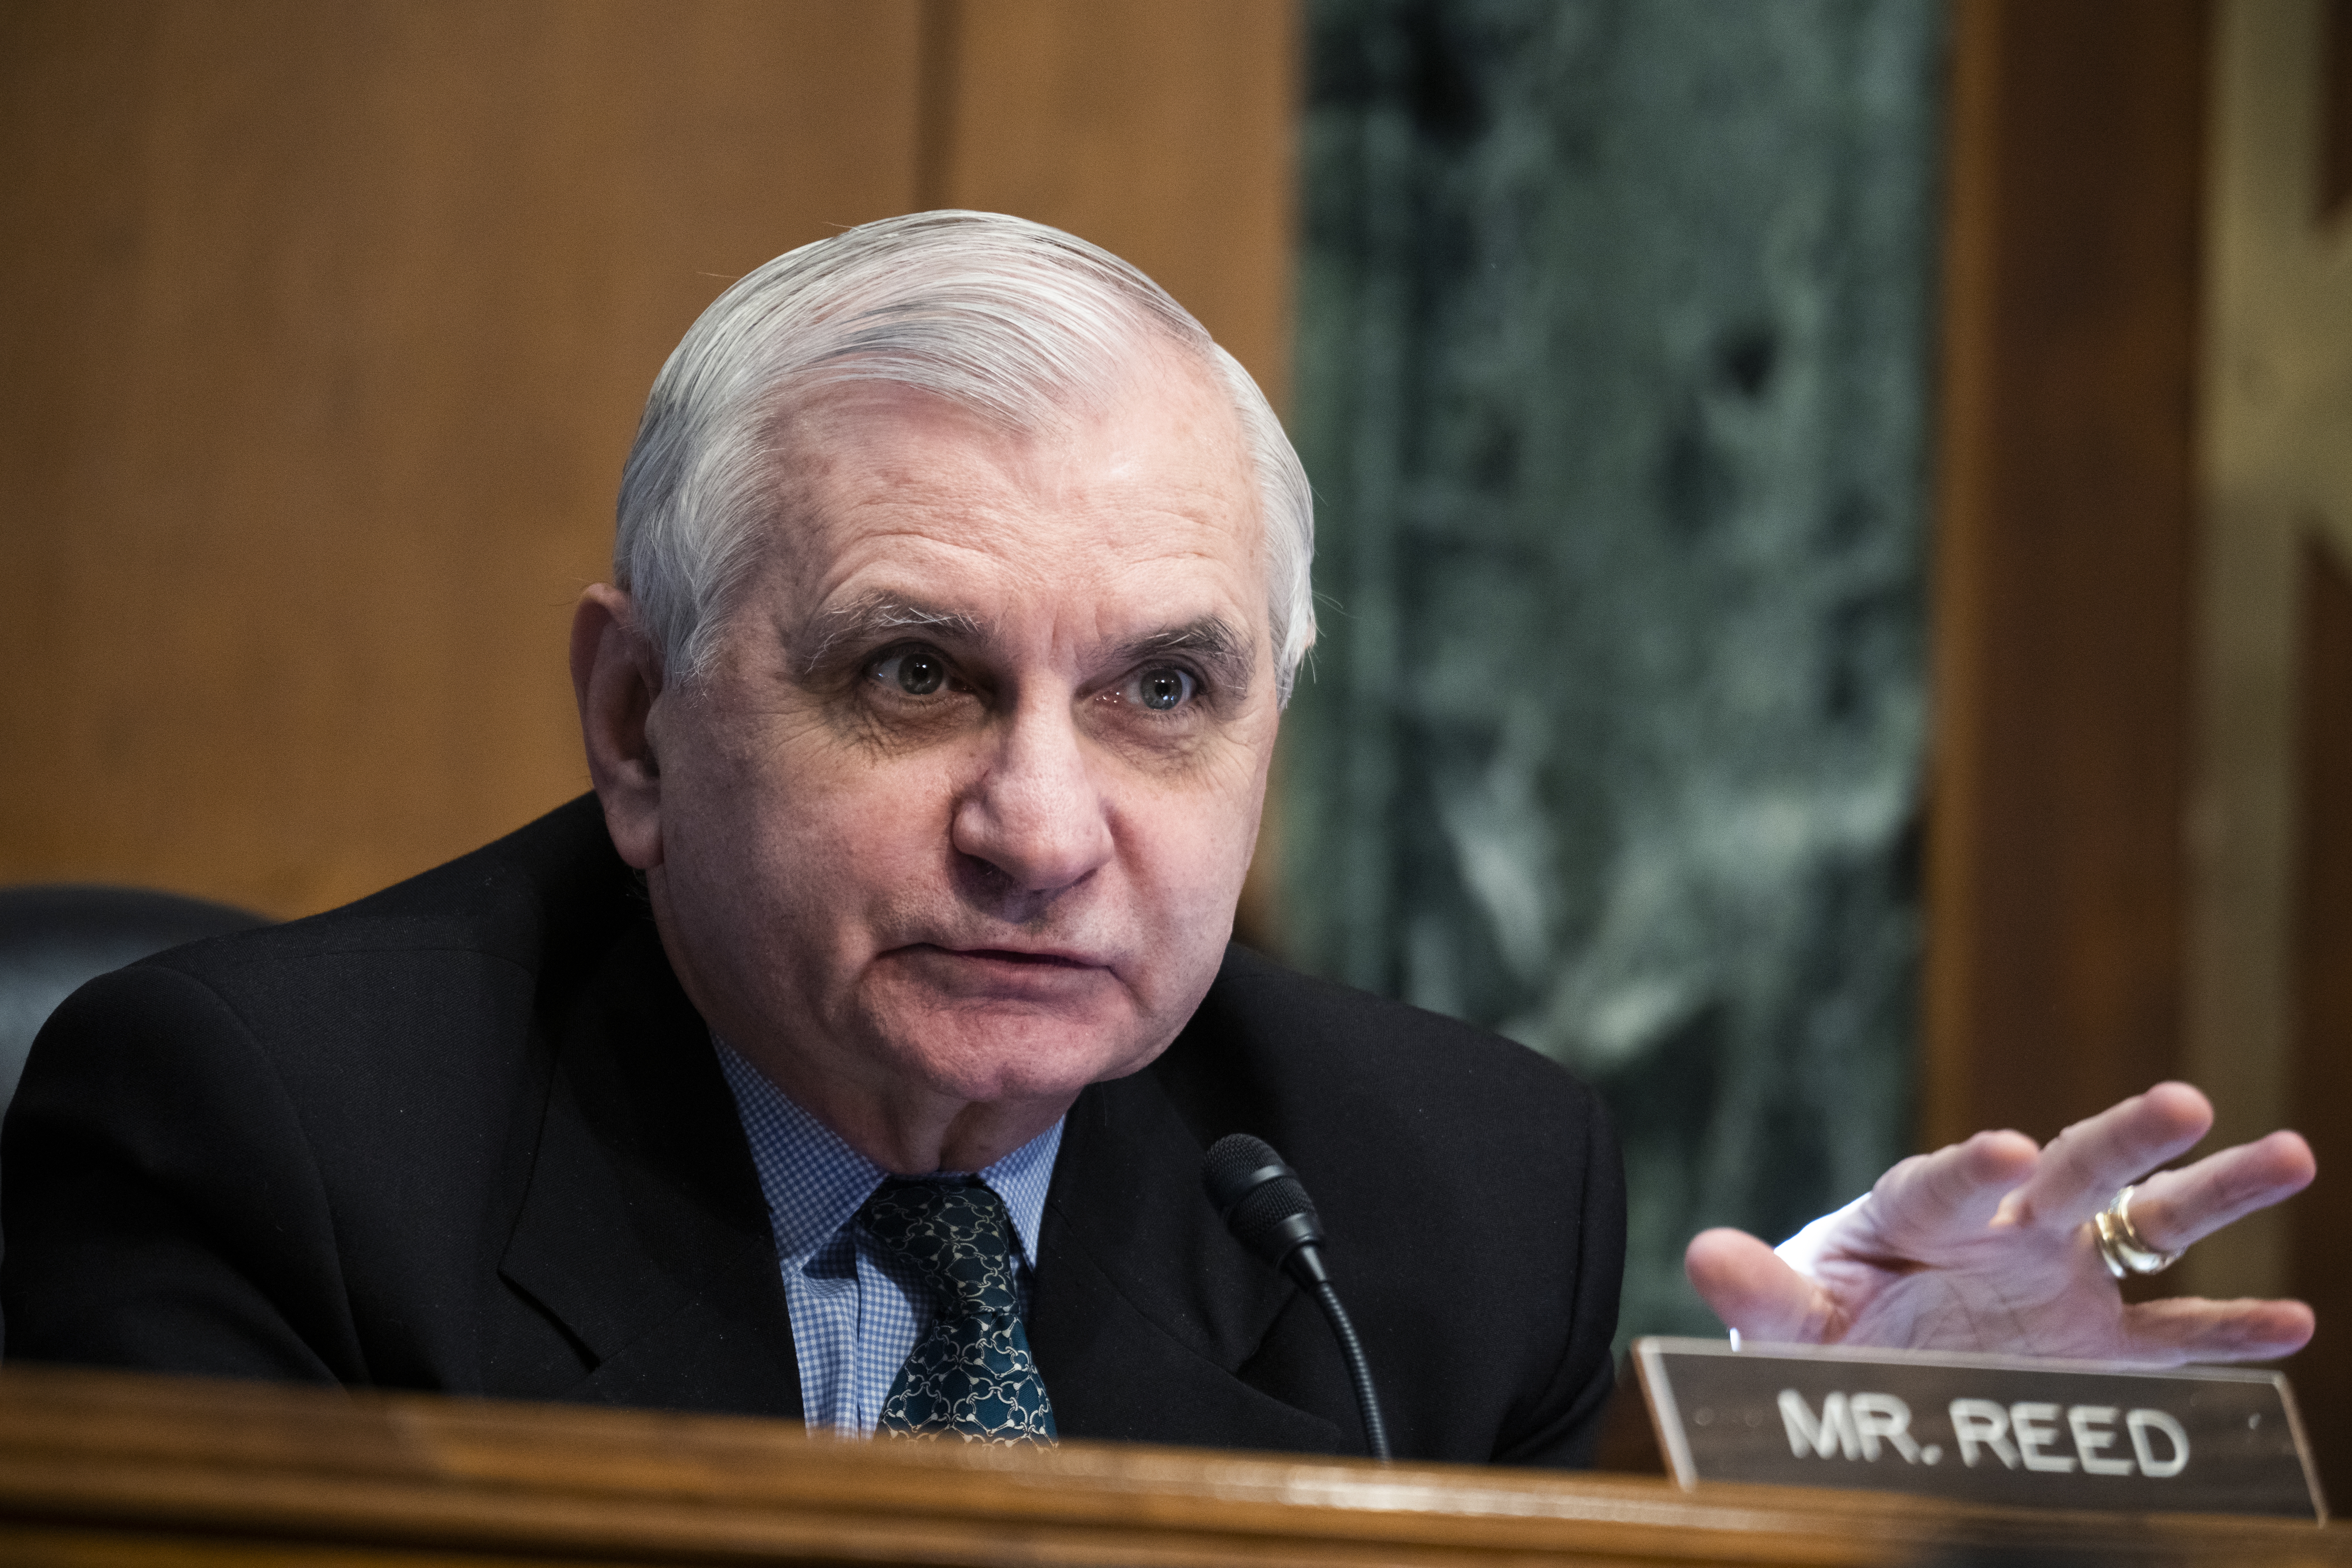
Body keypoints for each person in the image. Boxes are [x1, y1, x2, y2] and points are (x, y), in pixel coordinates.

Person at [0, 213, 2315, 1466]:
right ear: (635, 719)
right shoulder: (258, 1141)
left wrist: (1786, 1460)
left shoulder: (1442, 1198)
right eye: (914, 675)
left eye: (1162, 693)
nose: (1039, 826)